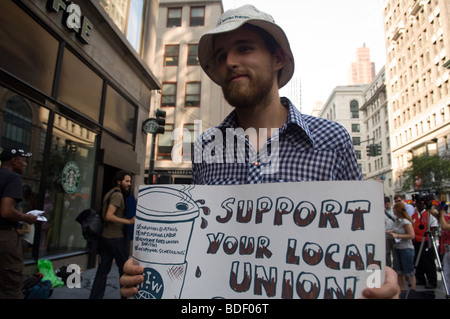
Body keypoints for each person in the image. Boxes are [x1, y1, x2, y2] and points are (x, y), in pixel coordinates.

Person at [120, 4, 399, 299]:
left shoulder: (332, 140)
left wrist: (379, 281)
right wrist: (146, 277)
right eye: (221, 56)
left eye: (244, 48)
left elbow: (363, 243)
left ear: (278, 58)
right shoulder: (204, 149)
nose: (230, 62)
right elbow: (199, 243)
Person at [89, 170, 135, 299]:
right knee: (125, 270)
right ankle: (125, 297)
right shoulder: (117, 196)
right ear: (119, 182)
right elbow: (109, 215)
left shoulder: (109, 193)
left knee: (102, 271)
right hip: (116, 239)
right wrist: (128, 221)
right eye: (126, 181)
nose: (129, 184)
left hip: (106, 238)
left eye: (130, 181)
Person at [0, 147, 37, 299]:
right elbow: (6, 211)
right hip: (4, 235)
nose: (25, 164)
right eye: (23, 159)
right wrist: (25, 217)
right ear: (14, 161)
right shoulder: (13, 178)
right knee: (11, 286)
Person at [386, 202, 416, 294]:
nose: (393, 211)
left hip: (406, 248)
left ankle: (412, 289)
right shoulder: (397, 221)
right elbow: (396, 231)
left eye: (395, 209)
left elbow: (412, 235)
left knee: (408, 271)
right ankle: (401, 288)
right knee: (399, 271)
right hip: (398, 247)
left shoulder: (406, 222)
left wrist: (397, 235)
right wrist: (391, 232)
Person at [412, 198, 439, 289]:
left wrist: (432, 241)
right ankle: (420, 278)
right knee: (418, 261)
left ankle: (432, 280)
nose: (418, 206)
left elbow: (434, 227)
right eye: (417, 204)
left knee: (428, 262)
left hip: (427, 241)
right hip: (417, 241)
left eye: (420, 204)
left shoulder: (429, 215)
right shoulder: (414, 215)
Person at [385, 196, 396, 267]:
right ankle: (388, 266)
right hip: (385, 234)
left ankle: (395, 266)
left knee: (394, 251)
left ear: (390, 203)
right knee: (386, 252)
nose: (385, 205)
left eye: (386, 203)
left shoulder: (394, 211)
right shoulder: (381, 211)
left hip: (394, 233)